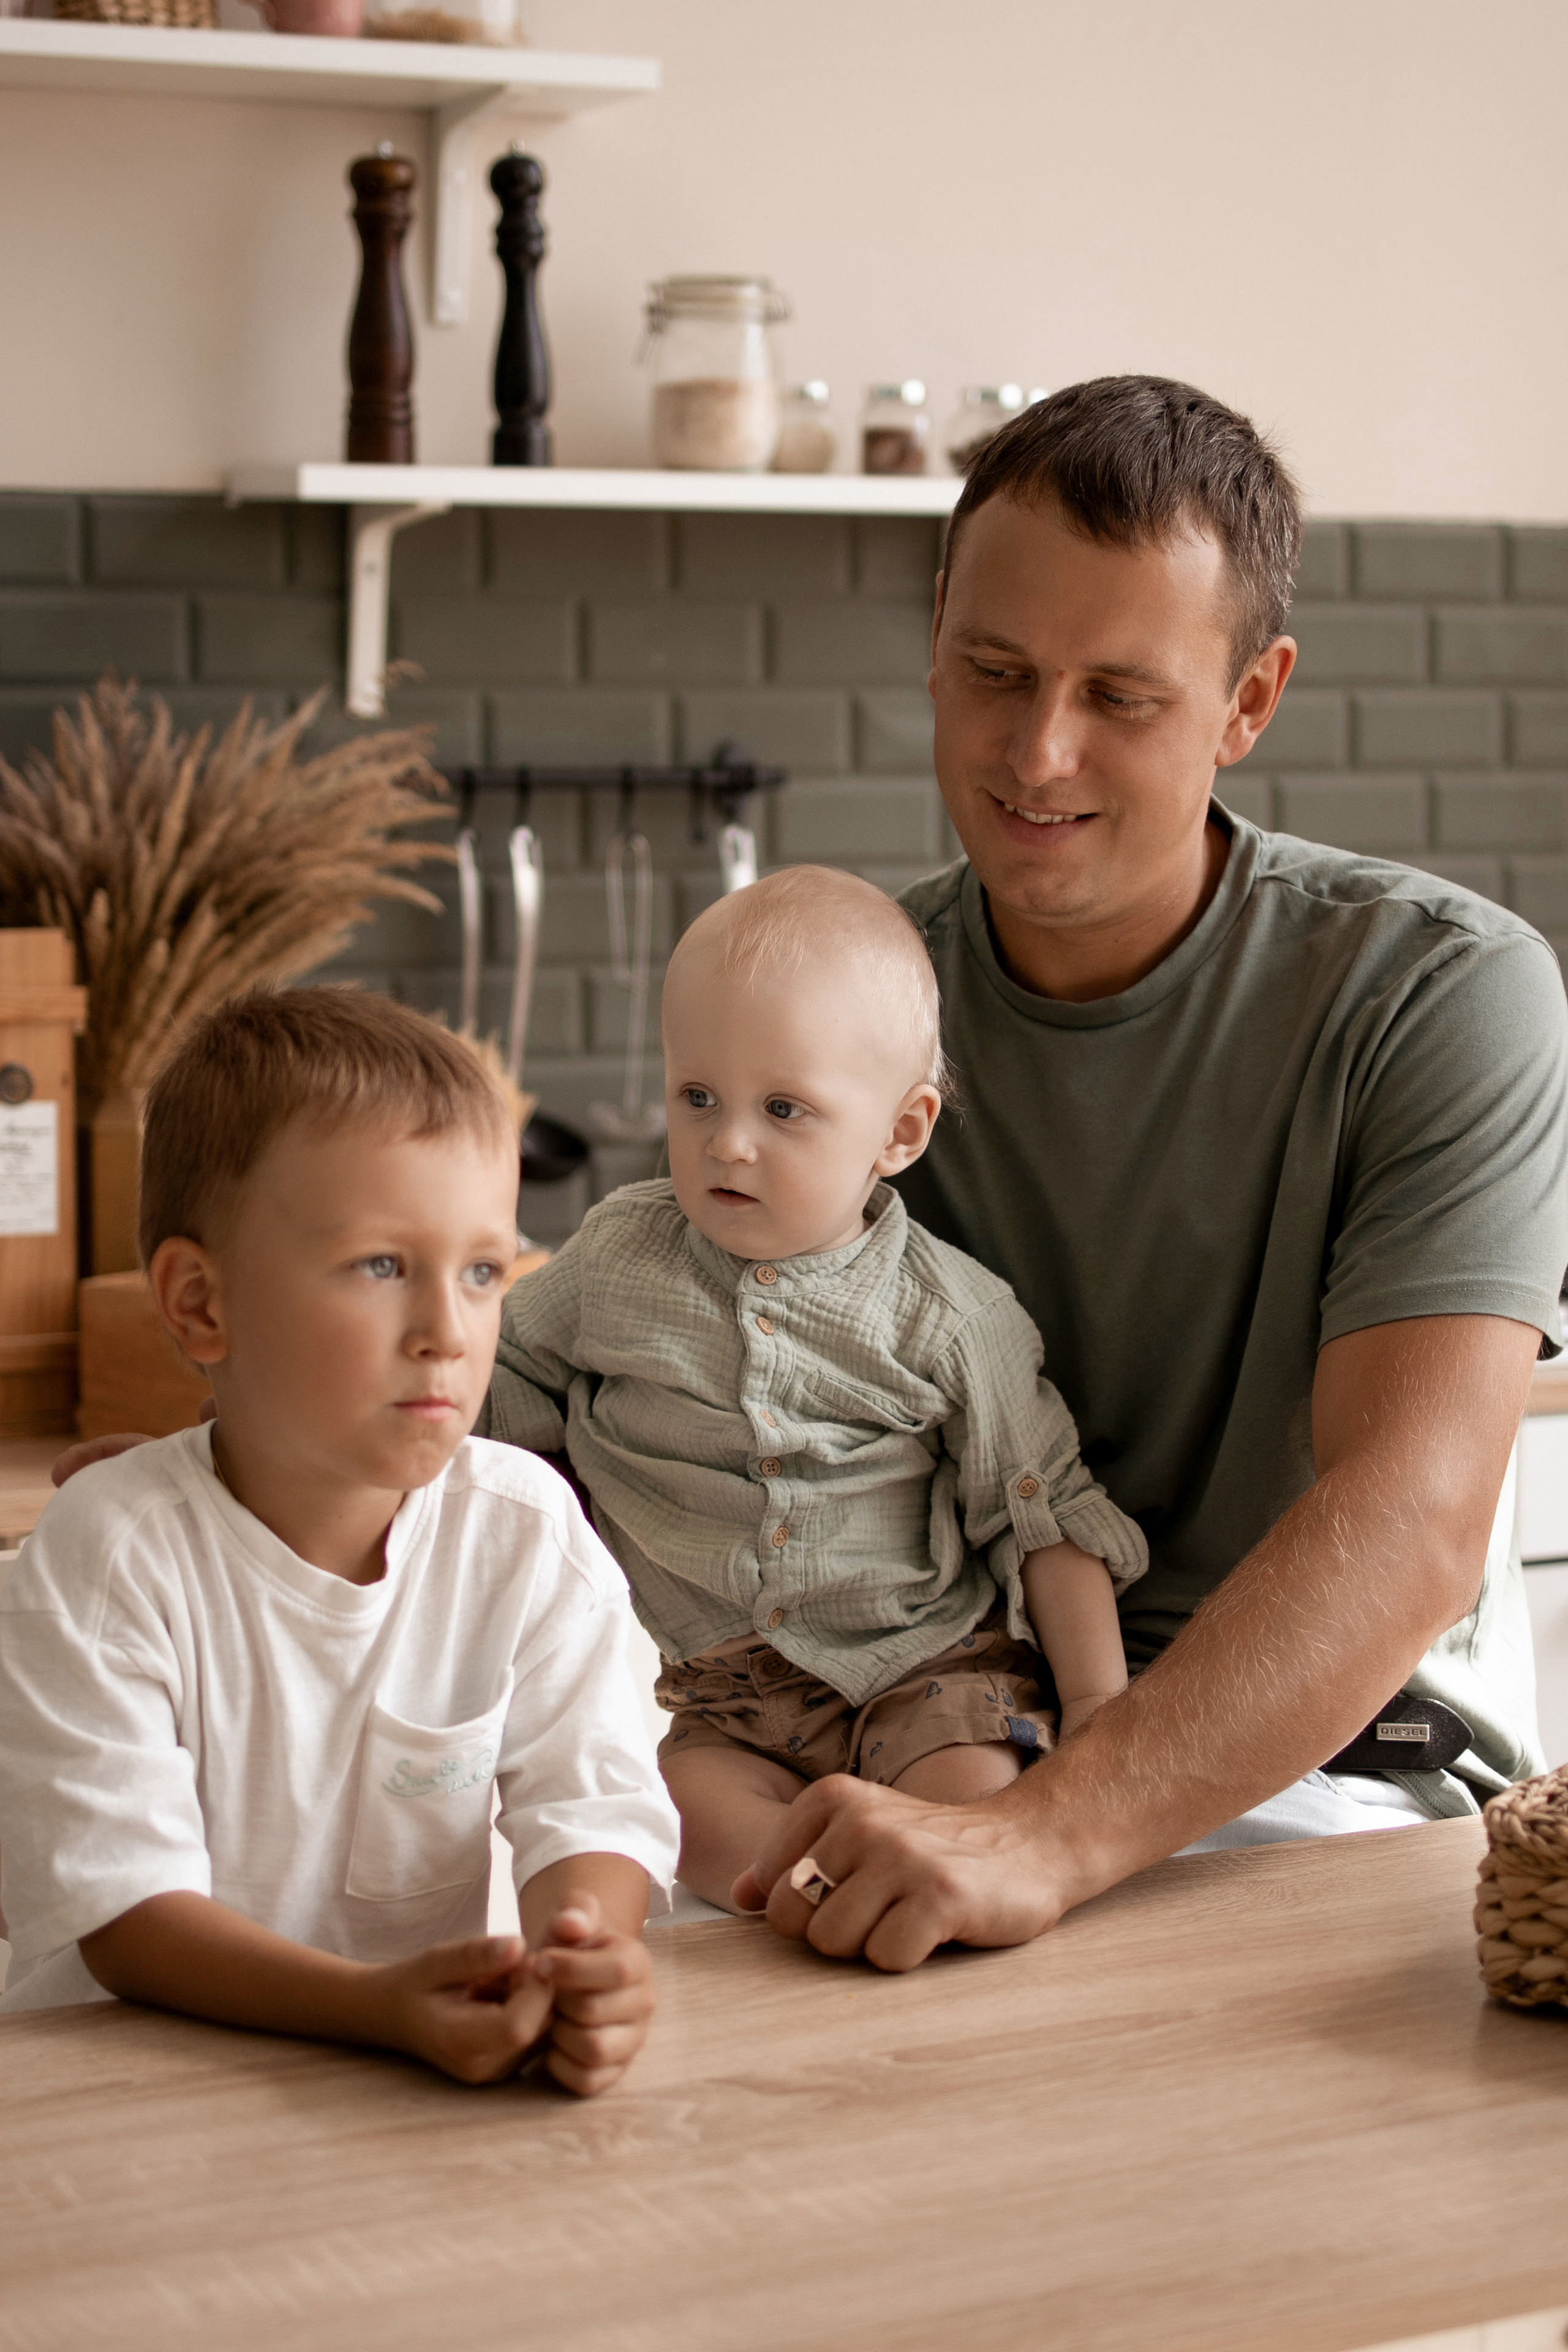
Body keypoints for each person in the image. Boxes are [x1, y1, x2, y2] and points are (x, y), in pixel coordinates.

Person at [732, 373, 1568, 1968]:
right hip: (920, 1754)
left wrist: (1046, 1831)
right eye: (994, 672)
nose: (1037, 751)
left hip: (1316, 1787)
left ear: (1250, 702)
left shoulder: (1442, 995)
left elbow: (1413, 1514)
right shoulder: (828, 1006)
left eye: (1122, 696)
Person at [0, 989, 679, 2092]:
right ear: (200, 1303)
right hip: (124, 2107)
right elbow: (126, 1919)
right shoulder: (109, 1556)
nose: (446, 1335)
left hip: (409, 2098)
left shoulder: (526, 1532)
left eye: (482, 1272)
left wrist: (585, 1956)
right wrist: (373, 2011)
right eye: (380, 1266)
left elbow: (592, 1802)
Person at [481, 867, 1148, 1910]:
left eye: (784, 1108)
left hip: (928, 1665)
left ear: (901, 1132)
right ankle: (807, 1892)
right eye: (696, 1096)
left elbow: (1044, 1512)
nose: (727, 1141)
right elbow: (500, 1373)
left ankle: (894, 1884)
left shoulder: (948, 1316)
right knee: (669, 1817)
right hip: (712, 1691)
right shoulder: (619, 1257)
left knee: (975, 1804)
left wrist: (1103, 1703)